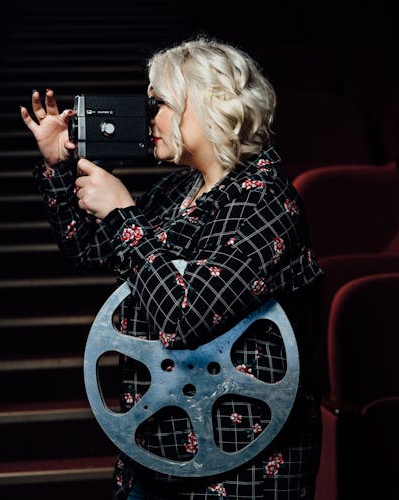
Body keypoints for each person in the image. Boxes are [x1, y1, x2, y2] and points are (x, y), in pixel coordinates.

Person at [20, 36, 324, 499]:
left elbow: (187, 316)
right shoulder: (179, 191)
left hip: (238, 468)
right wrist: (59, 167)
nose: (149, 118)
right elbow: (86, 246)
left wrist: (124, 214)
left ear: (204, 105)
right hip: (157, 451)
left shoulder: (263, 200)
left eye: (159, 103)